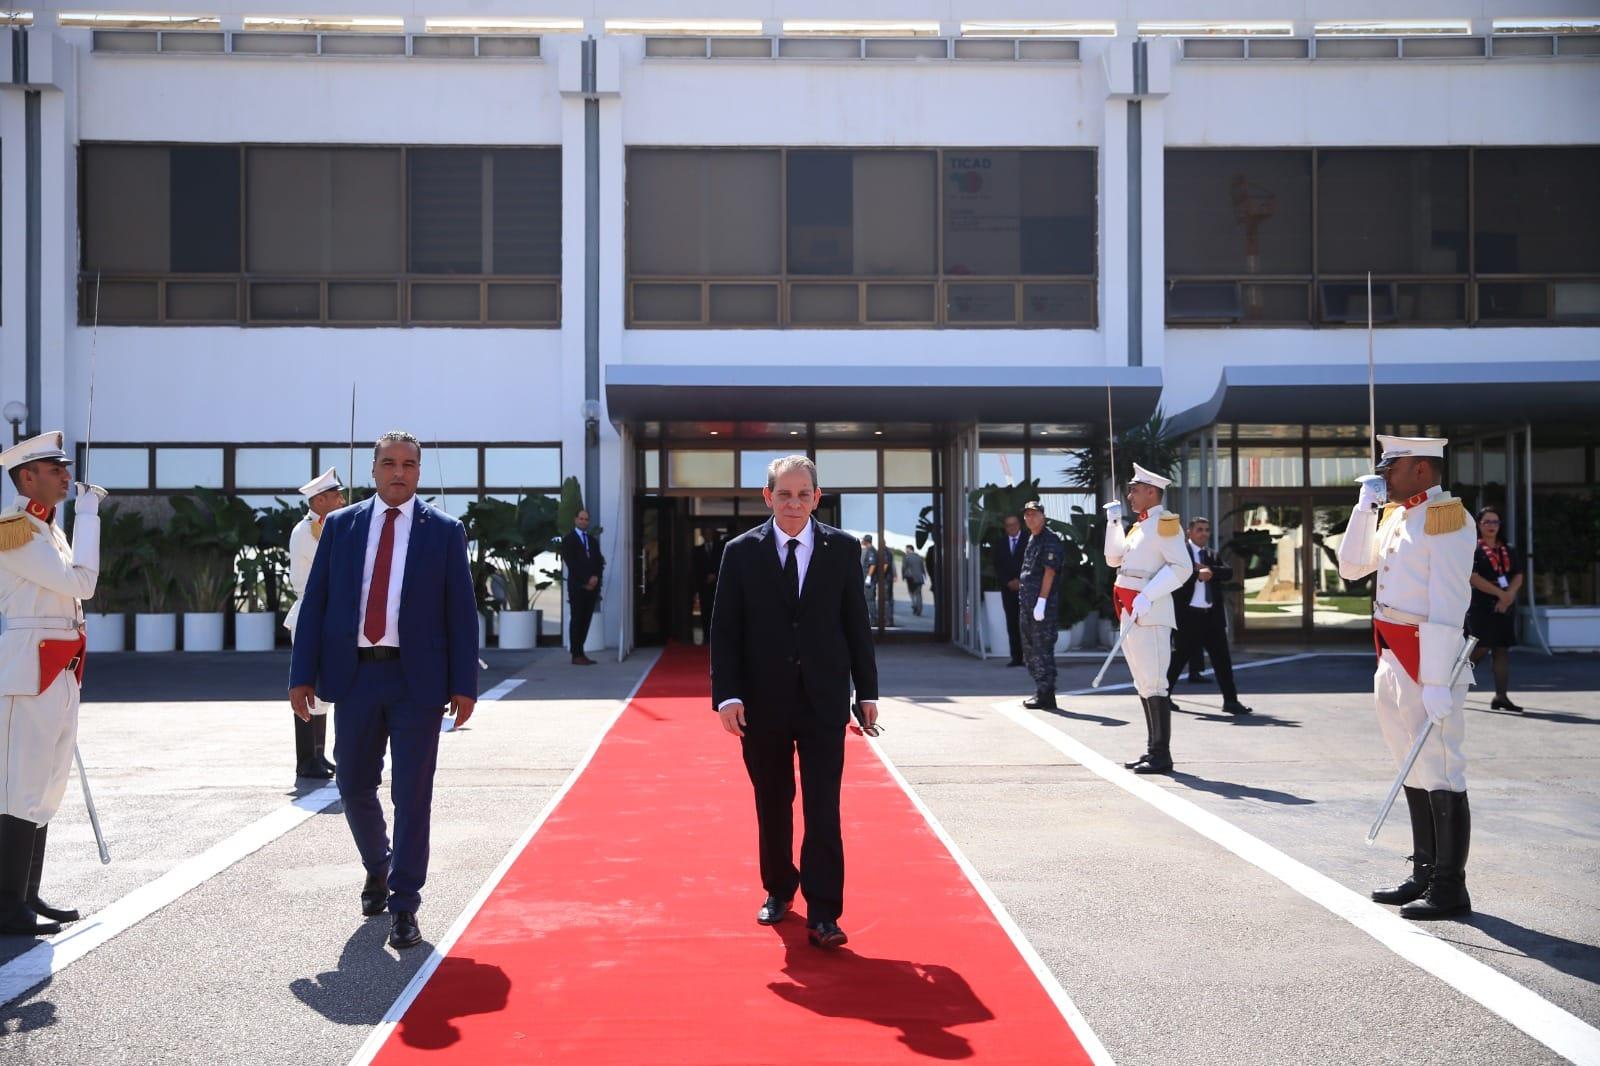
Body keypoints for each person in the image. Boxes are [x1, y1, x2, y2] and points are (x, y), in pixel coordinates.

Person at [289, 431, 479, 950]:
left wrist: (465, 684)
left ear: (419, 472)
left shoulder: (444, 531)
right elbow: (316, 603)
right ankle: (379, 864)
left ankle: (405, 905)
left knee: (412, 796)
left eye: (409, 465)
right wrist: (300, 674)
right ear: (373, 471)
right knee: (352, 785)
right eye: (389, 463)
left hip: (416, 681)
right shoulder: (343, 527)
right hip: (355, 678)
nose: (399, 472)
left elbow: (461, 613)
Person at [711, 455, 877, 950]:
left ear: (817, 498)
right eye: (784, 494)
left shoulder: (843, 549)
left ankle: (825, 913)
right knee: (773, 802)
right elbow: (725, 630)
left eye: (803, 494)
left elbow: (856, 624)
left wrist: (866, 691)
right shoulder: (740, 552)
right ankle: (779, 889)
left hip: (825, 699)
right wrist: (728, 696)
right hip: (762, 704)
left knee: (824, 806)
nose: (794, 503)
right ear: (767, 497)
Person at [1337, 435, 1476, 920]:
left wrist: (1437, 678)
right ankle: (1424, 872)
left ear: (1420, 469)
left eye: (1390, 468)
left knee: (1440, 768)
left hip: (1426, 657)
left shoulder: (1447, 519)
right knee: (1410, 765)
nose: (1384, 475)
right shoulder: (1396, 515)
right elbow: (1352, 567)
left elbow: (1449, 601)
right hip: (1392, 650)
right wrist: (1364, 509)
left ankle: (1450, 885)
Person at [0, 432, 104, 936]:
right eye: (55, 469)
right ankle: (6, 904)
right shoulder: (14, 530)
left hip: (60, 666)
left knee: (46, 786)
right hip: (28, 670)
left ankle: (26, 895)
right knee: (19, 788)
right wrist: (89, 516)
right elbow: (82, 583)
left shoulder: (46, 530)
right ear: (27, 477)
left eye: (65, 468)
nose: (67, 476)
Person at [1103, 464, 1193, 775]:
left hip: (1150, 611)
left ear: (1151, 492)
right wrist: (1113, 523)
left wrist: (1149, 594)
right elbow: (1113, 559)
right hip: (1131, 610)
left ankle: (1162, 755)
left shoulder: (1165, 524)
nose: (1129, 495)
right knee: (1143, 682)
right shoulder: (1139, 527)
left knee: (1155, 682)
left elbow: (1182, 567)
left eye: (1135, 490)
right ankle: (1152, 750)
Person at [284, 467, 344, 781]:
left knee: (321, 692)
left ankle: (318, 755)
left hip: (323, 616)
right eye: (336, 496)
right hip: (310, 616)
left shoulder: (324, 526)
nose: (342, 500)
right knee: (308, 689)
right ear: (319, 500)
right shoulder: (308, 531)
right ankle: (306, 760)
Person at [1167, 517, 1253, 716]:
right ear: (1189, 532)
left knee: (1222, 660)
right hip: (1188, 618)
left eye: (1206, 530)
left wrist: (1209, 571)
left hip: (1211, 618)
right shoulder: (1181, 555)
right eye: (1199, 529)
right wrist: (1195, 574)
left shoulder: (1212, 555)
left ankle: (1231, 701)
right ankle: (1164, 698)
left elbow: (1228, 572)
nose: (1204, 533)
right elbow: (1172, 577)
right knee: (1178, 659)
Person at [1466, 506, 1524, 712]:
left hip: (1504, 606)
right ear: (1479, 525)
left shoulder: (1507, 548)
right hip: (1482, 605)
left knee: (1501, 649)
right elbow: (1473, 577)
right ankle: (1451, 686)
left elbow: (1517, 574)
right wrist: (1501, 594)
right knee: (1480, 648)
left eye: (1495, 522)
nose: (1492, 526)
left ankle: (1501, 697)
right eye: (1487, 522)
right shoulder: (1473, 548)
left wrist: (1509, 596)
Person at [1018, 502, 1064, 710]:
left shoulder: (1050, 539)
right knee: (1030, 649)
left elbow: (1049, 572)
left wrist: (1042, 602)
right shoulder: (1032, 539)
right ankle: (1040, 688)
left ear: (1043, 517)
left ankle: (1046, 693)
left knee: (1042, 649)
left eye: (1034, 515)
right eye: (1027, 515)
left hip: (1041, 606)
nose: (1030, 518)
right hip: (1028, 605)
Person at [561, 509, 604, 666]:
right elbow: (571, 564)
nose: (584, 521)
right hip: (578, 587)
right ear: (575, 520)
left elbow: (599, 562)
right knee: (577, 619)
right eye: (581, 518)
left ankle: (581, 652)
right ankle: (576, 653)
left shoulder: (592, 541)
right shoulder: (569, 540)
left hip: (591, 588)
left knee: (586, 620)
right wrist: (586, 579)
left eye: (586, 519)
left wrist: (595, 578)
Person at [991, 514, 1029, 667]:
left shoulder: (1029, 540)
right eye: (1008, 525)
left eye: (1014, 524)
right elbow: (997, 565)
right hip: (1008, 589)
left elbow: (1032, 563)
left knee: (1028, 624)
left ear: (1019, 525)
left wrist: (1022, 581)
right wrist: (1008, 581)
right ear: (1005, 527)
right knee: (1012, 623)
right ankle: (1016, 657)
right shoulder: (1000, 544)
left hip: (1027, 588)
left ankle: (1030, 657)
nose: (1011, 527)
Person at [859, 535, 880, 625]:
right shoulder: (869, 550)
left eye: (863, 540)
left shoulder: (871, 551)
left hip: (869, 581)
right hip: (867, 579)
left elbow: (873, 565)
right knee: (867, 599)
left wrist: (869, 577)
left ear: (866, 541)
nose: (862, 541)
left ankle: (873, 621)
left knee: (870, 600)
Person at [902, 544, 927, 617]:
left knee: (911, 592)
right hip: (919, 578)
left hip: (911, 578)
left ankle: (914, 605)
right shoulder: (919, 557)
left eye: (906, 549)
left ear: (909, 549)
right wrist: (924, 576)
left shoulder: (906, 557)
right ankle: (919, 610)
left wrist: (903, 576)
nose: (905, 550)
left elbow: (904, 567)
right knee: (919, 594)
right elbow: (922, 568)